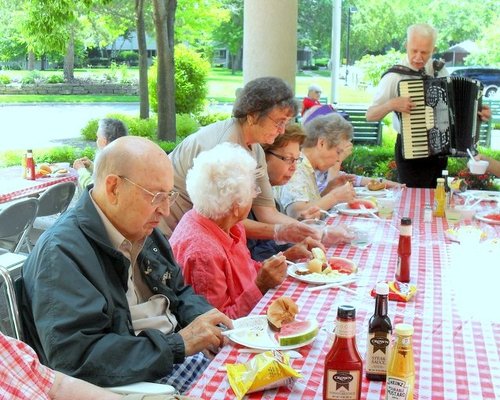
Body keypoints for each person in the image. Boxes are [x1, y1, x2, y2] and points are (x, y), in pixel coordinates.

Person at [20, 136, 233, 394]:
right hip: (131, 384)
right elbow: (77, 360)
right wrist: (178, 344)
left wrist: (205, 319)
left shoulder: (142, 227)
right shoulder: (61, 253)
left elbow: (179, 291)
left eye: (170, 196)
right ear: (113, 188)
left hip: (170, 356)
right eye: (156, 197)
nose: (166, 210)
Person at [164, 76, 320, 245]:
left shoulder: (256, 149)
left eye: (286, 123)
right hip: (169, 234)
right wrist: (279, 232)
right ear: (253, 115)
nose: (282, 131)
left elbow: (266, 212)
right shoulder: (222, 148)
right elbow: (223, 219)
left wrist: (316, 232)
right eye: (279, 122)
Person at [170, 143, 288, 319]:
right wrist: (261, 285)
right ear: (235, 205)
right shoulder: (202, 254)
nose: (256, 193)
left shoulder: (228, 223)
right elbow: (220, 324)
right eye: (253, 189)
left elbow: (245, 271)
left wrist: (286, 258)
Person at [366, 23, 490, 188]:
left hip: (441, 151)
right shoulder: (394, 76)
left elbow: (454, 108)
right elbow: (370, 115)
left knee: (438, 198)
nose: (418, 57)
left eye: (424, 52)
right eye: (414, 50)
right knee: (413, 197)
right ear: (406, 46)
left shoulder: (440, 71)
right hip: (411, 152)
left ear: (434, 49)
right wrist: (391, 104)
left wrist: (477, 112)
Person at [248, 124, 347, 261]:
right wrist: (290, 249)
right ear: (262, 157)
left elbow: (272, 242)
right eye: (288, 159)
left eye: (296, 160)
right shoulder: (246, 199)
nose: (294, 167)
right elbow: (253, 258)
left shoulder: (268, 193)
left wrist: (298, 226)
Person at [0, 332, 197, 400]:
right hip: (142, 356)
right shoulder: (62, 254)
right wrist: (174, 346)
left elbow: (58, 385)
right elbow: (80, 358)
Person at [278, 113, 357, 219]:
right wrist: (334, 196)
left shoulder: (307, 167)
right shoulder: (297, 167)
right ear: (322, 143)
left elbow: (311, 207)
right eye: (338, 152)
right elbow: (298, 214)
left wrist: (329, 189)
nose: (339, 159)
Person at [72, 118, 128, 188]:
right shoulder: (123, 155)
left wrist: (81, 170)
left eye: (98, 137)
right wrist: (91, 166)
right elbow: (102, 177)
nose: (96, 141)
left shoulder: (110, 160)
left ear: (104, 141)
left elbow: (93, 188)